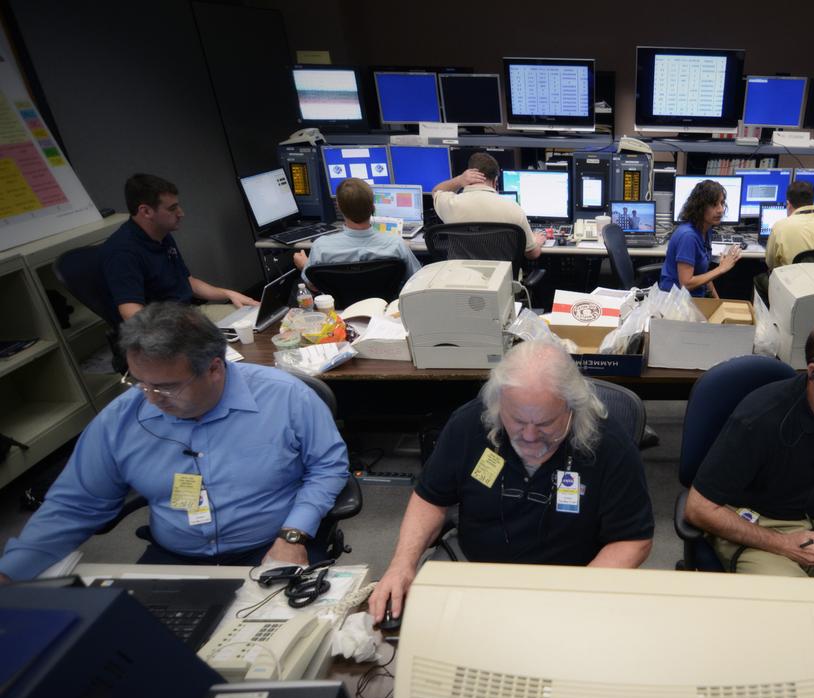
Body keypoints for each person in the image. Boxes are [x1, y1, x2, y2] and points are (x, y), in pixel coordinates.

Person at [0, 303, 350, 583]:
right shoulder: (121, 418)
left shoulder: (285, 397)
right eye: (139, 381)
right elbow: (75, 504)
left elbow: (328, 466)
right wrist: (10, 570)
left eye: (166, 386)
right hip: (175, 555)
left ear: (215, 368)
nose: (151, 398)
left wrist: (294, 535)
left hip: (270, 545)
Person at [369, 339, 655, 619]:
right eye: (517, 420)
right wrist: (401, 564)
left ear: (572, 407)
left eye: (544, 423)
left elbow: (633, 540)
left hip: (571, 581)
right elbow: (430, 499)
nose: (529, 436)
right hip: (475, 566)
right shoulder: (470, 424)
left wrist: (575, 597)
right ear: (498, 403)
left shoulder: (608, 444)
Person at [684, 314, 814, 577]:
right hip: (759, 528)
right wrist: (782, 544)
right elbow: (698, 508)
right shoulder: (759, 418)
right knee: (797, 612)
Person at [100, 173, 258, 323]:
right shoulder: (122, 251)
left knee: (256, 317)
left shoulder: (161, 234)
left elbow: (188, 281)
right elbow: (131, 313)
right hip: (162, 329)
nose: (181, 213)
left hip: (189, 313)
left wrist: (227, 293)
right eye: (172, 208)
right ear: (146, 211)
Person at [292, 178, 421, 283]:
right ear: (373, 207)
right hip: (383, 309)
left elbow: (313, 285)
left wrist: (304, 266)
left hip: (339, 311)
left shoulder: (321, 246)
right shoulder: (396, 244)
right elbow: (416, 280)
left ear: (339, 207)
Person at [431, 152, 545, 259]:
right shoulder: (513, 209)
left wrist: (459, 180)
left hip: (460, 277)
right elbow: (531, 254)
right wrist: (537, 242)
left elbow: (436, 191)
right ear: (496, 181)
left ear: (467, 177)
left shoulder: (450, 203)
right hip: (500, 278)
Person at [659, 179, 741, 298]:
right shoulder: (688, 237)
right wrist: (721, 269)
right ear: (700, 207)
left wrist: (717, 301)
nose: (720, 210)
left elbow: (702, 273)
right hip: (675, 303)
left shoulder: (705, 229)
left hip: (694, 297)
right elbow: (685, 284)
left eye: (722, 203)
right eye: (714, 205)